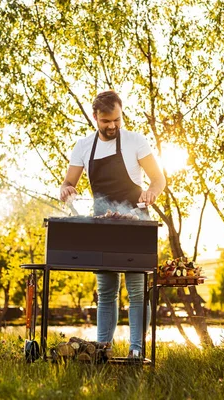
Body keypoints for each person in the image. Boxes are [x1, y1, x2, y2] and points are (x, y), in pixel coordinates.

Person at [59, 90, 166, 358]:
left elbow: (158, 179)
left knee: (137, 290)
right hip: (102, 224)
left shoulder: (135, 141)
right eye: (106, 121)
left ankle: (136, 351)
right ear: (95, 117)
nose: (112, 126)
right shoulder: (84, 146)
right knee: (106, 291)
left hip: (135, 220)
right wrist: (66, 190)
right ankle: (102, 350)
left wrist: (151, 192)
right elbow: (69, 183)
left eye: (117, 120)